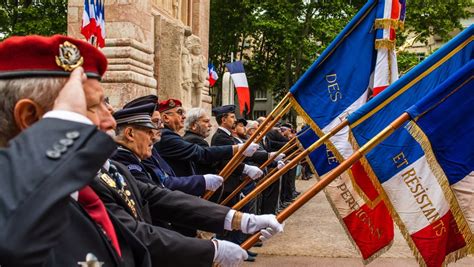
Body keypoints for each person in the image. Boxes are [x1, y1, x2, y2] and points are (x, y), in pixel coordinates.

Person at [0, 35, 151, 266]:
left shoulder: (69, 189)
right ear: (30, 118)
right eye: (89, 106)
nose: (111, 121)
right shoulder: (22, 209)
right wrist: (64, 124)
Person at [91, 101, 285, 266]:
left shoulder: (116, 167)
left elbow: (156, 196)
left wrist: (240, 220)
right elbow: (135, 230)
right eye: (150, 129)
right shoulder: (101, 172)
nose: (155, 135)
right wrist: (211, 250)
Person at [112, 95, 222, 197]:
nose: (159, 128)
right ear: (130, 133)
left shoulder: (146, 151)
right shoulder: (125, 159)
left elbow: (165, 180)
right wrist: (202, 182)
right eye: (154, 124)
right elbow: (158, 193)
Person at [154, 98, 262, 179]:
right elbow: (203, 153)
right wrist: (236, 149)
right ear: (166, 118)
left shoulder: (172, 136)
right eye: (179, 112)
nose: (183, 117)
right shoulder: (167, 137)